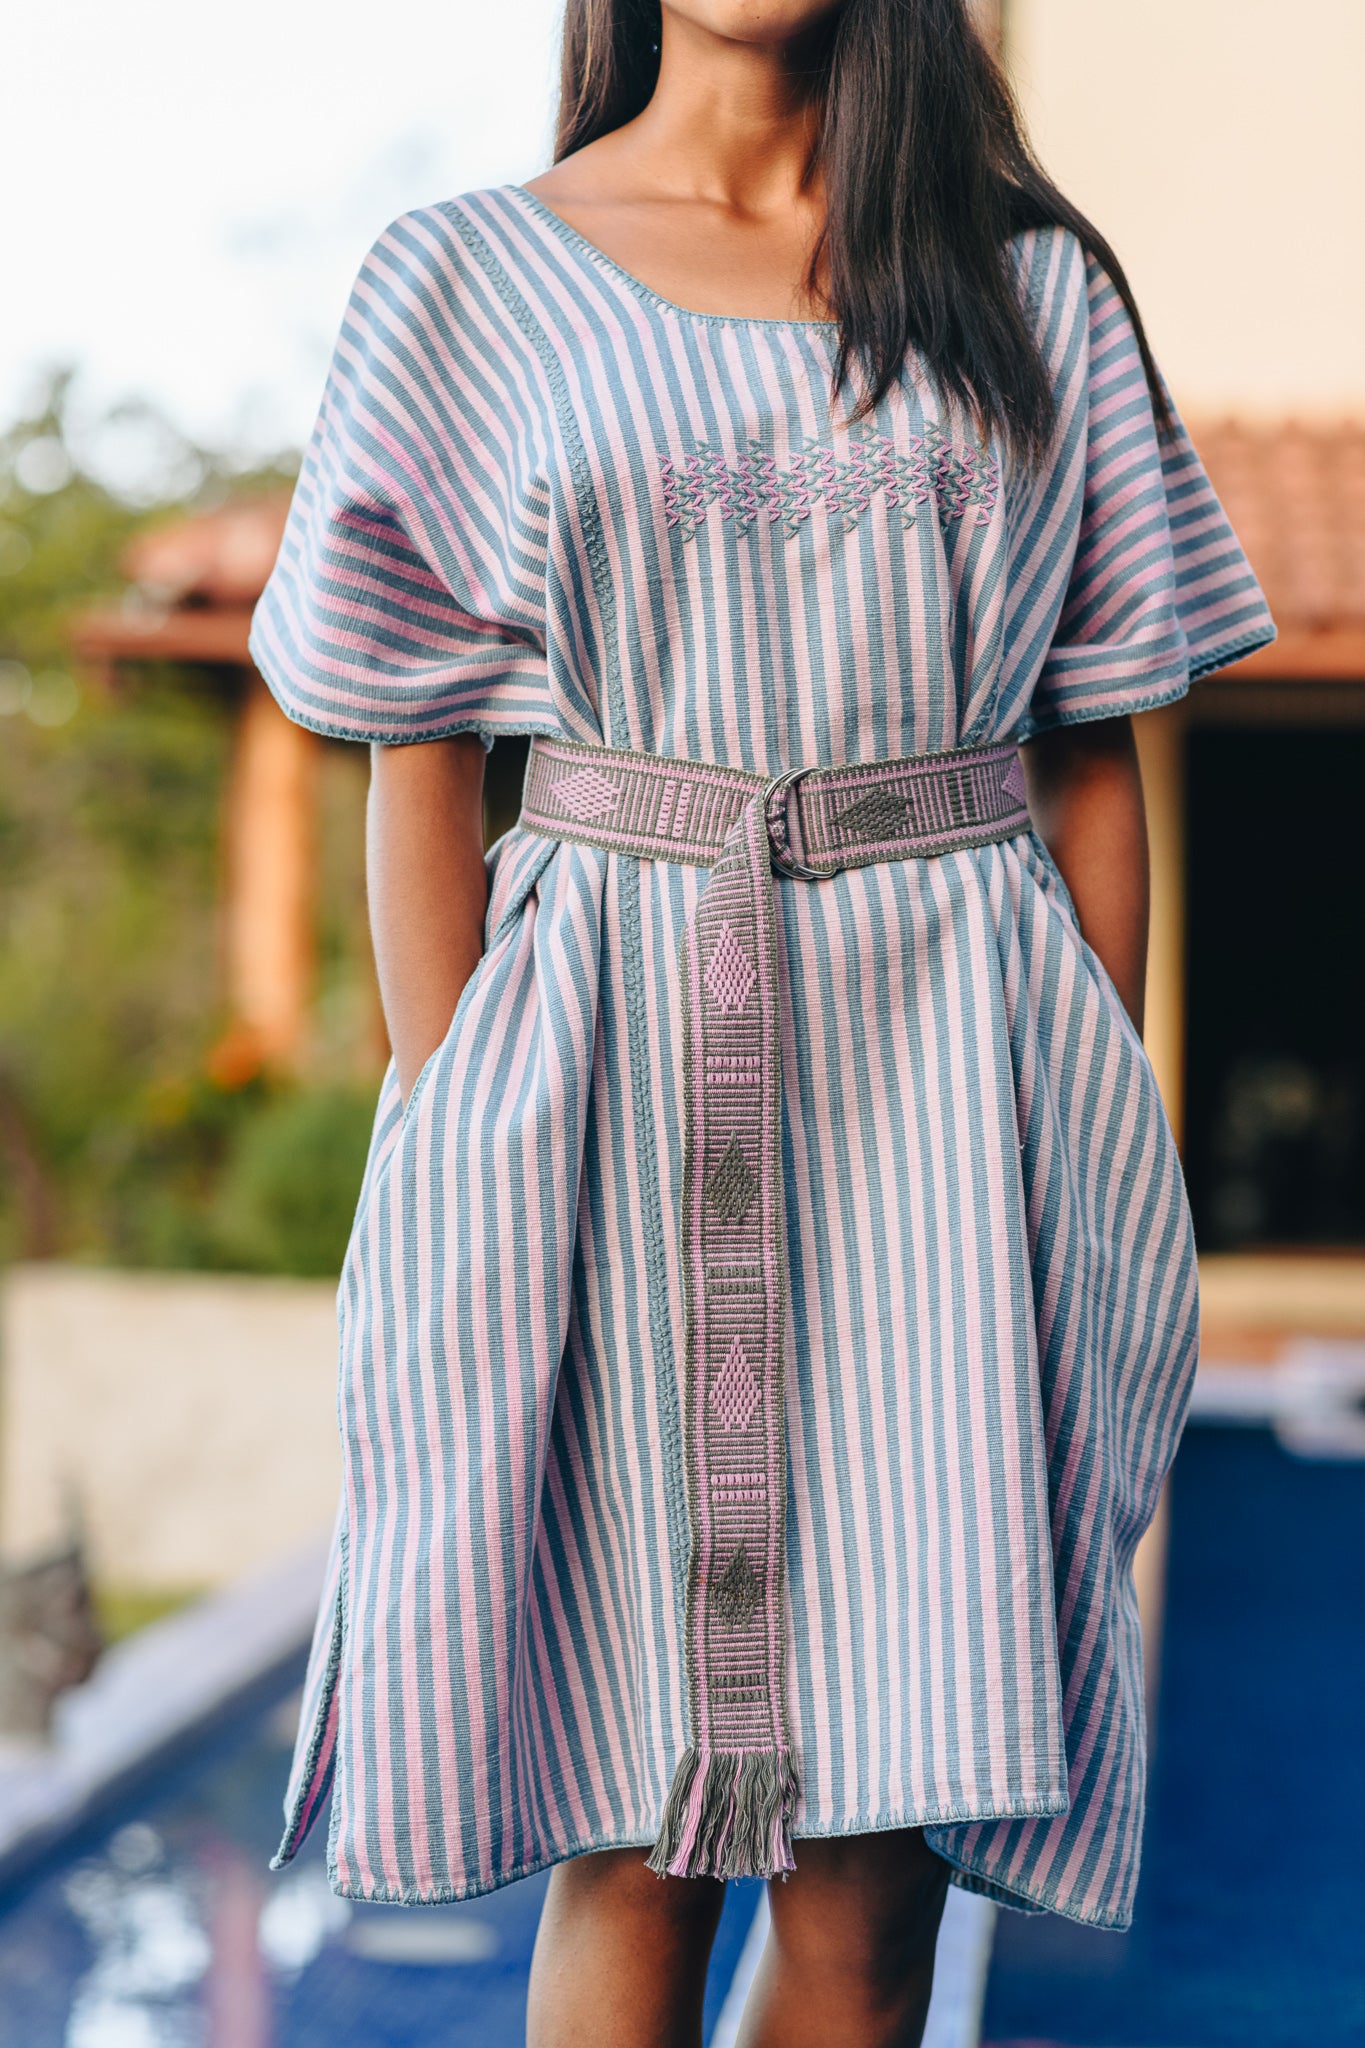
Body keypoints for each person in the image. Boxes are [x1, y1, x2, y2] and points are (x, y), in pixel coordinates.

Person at [249, 1, 1274, 2041]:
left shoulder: (1029, 287)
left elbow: (1091, 759)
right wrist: (456, 1107)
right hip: (595, 1087)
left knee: (877, 1884)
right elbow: (414, 755)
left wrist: (1076, 1122)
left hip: (947, 1109)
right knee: (629, 1839)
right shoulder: (461, 276)